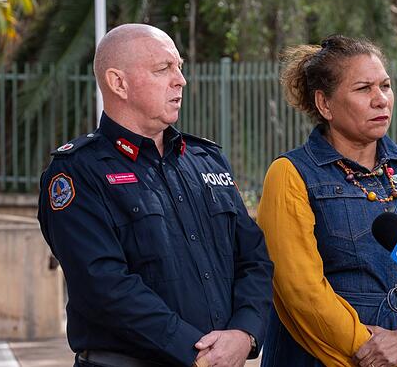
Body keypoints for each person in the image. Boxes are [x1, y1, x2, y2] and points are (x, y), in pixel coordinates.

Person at [37, 24, 273, 367]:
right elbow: (103, 286)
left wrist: (245, 333)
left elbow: (254, 259)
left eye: (179, 67)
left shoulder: (206, 160)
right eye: (163, 69)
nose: (180, 80)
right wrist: (198, 351)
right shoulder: (78, 172)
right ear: (119, 83)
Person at [256, 36, 397, 367]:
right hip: (331, 358)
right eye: (363, 89)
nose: (381, 100)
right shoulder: (290, 174)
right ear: (325, 104)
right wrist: (367, 347)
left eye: (385, 86)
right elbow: (300, 290)